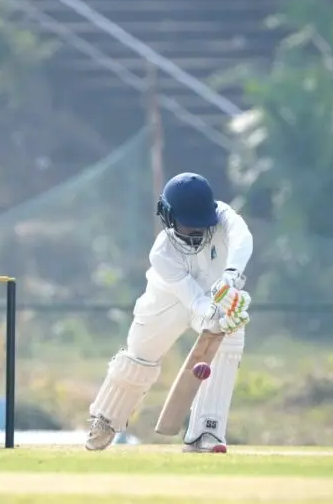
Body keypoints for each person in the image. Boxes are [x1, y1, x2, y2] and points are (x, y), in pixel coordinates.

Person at [85, 172, 253, 453]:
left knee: (229, 337)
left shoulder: (224, 217)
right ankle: (105, 418)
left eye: (201, 226)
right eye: (188, 227)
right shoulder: (162, 254)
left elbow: (242, 238)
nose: (195, 234)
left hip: (217, 288)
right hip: (168, 298)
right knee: (140, 356)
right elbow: (193, 301)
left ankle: (206, 432)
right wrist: (212, 311)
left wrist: (230, 282)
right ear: (169, 217)